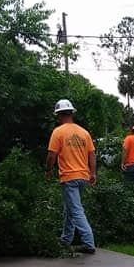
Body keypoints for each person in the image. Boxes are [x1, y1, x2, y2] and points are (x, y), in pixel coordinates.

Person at [45, 99, 97, 254]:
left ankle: (89, 243)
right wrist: (93, 173)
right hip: (83, 177)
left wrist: (48, 170)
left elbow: (51, 155)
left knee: (75, 210)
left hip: (69, 177)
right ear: (71, 113)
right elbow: (92, 154)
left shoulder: (58, 132)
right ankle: (66, 239)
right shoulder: (84, 132)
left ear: (59, 115)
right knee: (69, 209)